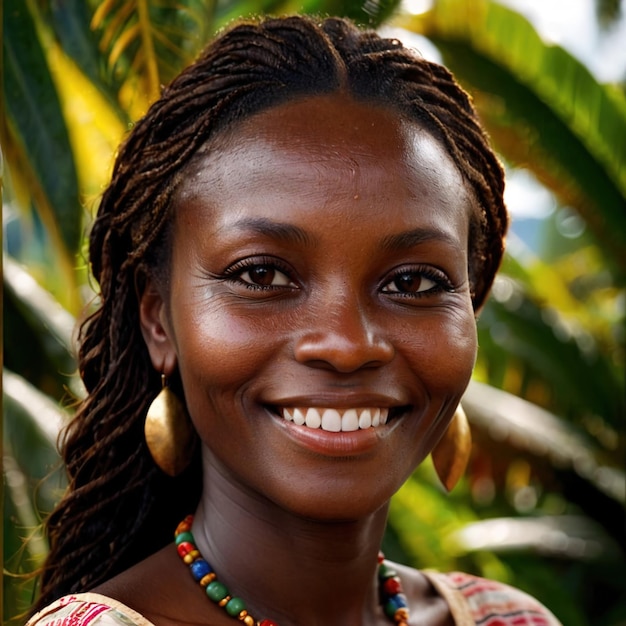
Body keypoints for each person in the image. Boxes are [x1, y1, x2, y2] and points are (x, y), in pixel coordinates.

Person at [26, 14, 562, 626]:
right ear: (159, 322)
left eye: (412, 282)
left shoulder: (510, 620)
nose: (346, 344)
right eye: (262, 276)